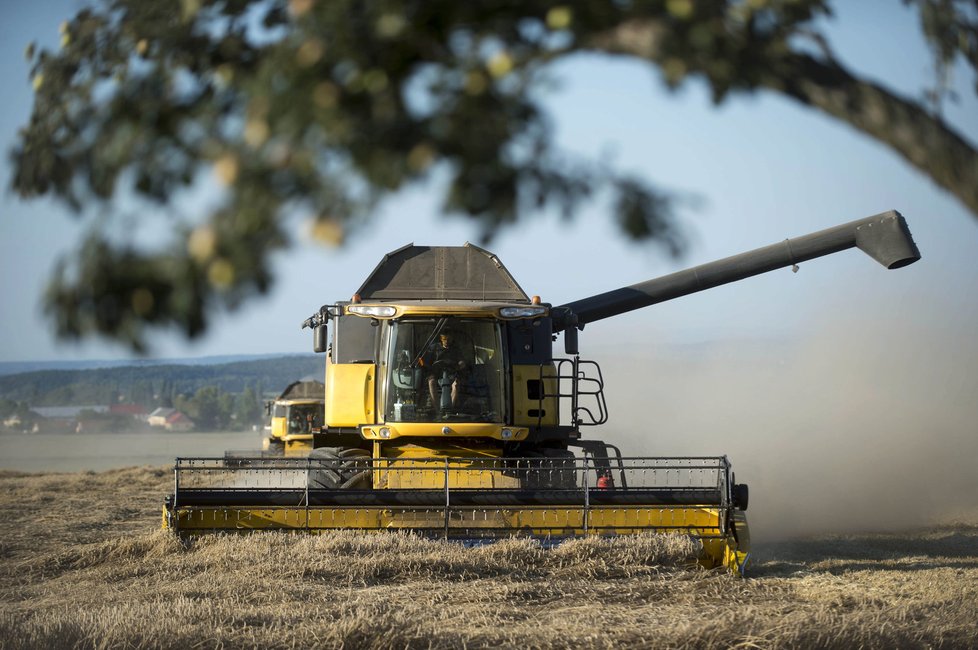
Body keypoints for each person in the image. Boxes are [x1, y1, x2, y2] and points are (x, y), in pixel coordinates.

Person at [424, 331, 469, 411]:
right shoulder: (433, 348)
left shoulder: (456, 350)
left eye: (448, 339)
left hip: (452, 374)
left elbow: (462, 361)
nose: (447, 341)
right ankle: (437, 410)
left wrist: (460, 364)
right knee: (431, 382)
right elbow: (427, 362)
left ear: (452, 339)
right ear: (441, 339)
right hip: (437, 375)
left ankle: (450, 409)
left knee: (456, 384)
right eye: (444, 339)